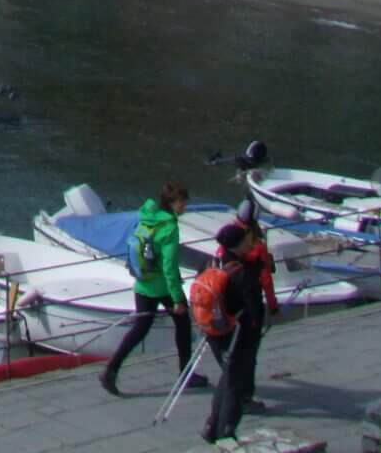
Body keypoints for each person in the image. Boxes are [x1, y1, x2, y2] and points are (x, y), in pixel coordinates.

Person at [99, 183, 200, 396]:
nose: (185, 206)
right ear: (173, 204)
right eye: (183, 202)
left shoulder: (147, 218)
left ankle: (111, 369)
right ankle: (185, 374)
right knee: (183, 324)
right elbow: (170, 268)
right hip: (163, 285)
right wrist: (178, 299)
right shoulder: (169, 228)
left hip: (142, 283)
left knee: (140, 329)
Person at [193, 223, 265, 444]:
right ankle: (226, 431)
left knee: (227, 378)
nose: (249, 243)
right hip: (237, 334)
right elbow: (255, 310)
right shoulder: (242, 273)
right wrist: (257, 329)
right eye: (245, 240)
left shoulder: (210, 263)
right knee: (236, 384)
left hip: (213, 329)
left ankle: (212, 425)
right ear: (238, 244)